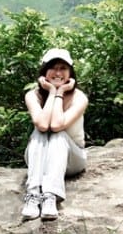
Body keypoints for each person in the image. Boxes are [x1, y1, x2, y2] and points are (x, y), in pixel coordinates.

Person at [22, 48, 89, 221]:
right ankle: (33, 195)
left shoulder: (79, 97)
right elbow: (43, 125)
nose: (58, 73)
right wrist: (52, 93)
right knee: (39, 133)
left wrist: (59, 93)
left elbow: (57, 125)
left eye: (63, 68)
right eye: (53, 67)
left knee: (58, 136)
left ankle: (50, 196)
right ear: (44, 72)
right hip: (41, 159)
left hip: (71, 160)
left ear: (70, 73)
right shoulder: (33, 95)